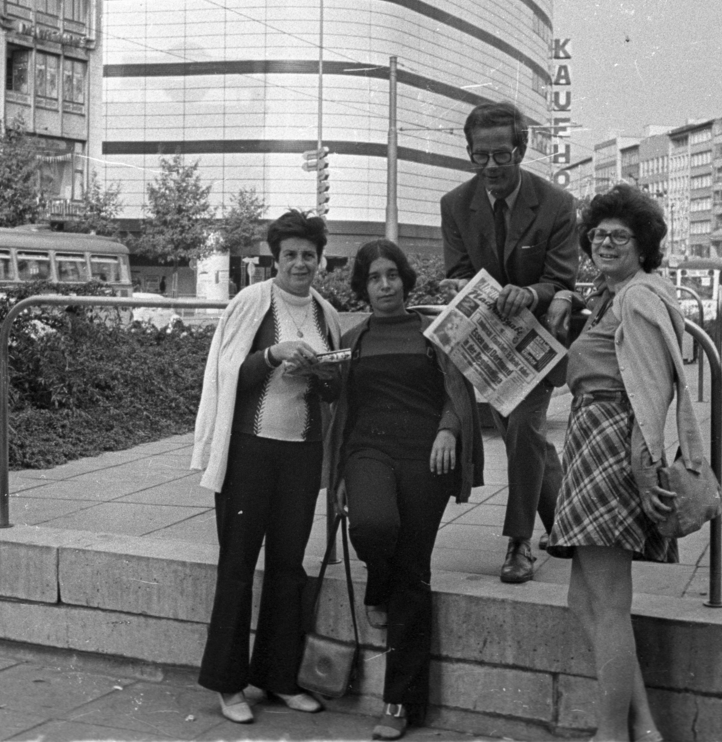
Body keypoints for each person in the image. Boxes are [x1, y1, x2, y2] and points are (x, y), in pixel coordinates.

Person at [547, 185, 686, 742]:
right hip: (590, 438)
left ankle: (611, 734)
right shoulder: (614, 295)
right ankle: (644, 726)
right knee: (585, 599)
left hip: (613, 447)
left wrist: (644, 467)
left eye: (619, 236)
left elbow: (651, 395)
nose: (605, 242)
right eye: (598, 234)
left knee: (607, 604)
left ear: (642, 244)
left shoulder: (640, 298)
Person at [192, 210, 342, 725]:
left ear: (319, 260)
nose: (300, 263)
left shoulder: (326, 311)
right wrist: (274, 355)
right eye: (290, 255)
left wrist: (321, 372)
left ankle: (278, 678)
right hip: (248, 453)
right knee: (236, 565)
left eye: (308, 255)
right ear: (274, 260)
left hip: (300, 455)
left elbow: (334, 391)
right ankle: (227, 684)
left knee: (288, 566)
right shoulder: (251, 303)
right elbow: (227, 374)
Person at [329, 240, 482, 740]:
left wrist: (447, 430)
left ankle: (398, 703)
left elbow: (459, 392)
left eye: (392, 275)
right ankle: (377, 581)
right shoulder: (353, 339)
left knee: (413, 570)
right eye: (374, 277)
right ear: (363, 287)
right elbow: (335, 401)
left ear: (406, 280)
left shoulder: (433, 335)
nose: (385, 285)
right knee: (373, 525)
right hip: (368, 449)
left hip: (427, 453)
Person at [439, 101, 577, 584]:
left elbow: (561, 276)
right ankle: (565, 523)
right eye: (481, 156)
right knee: (530, 438)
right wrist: (459, 287)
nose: (492, 167)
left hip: (536, 338)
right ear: (470, 153)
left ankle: (519, 542)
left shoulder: (557, 203)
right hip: (484, 344)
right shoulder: (455, 204)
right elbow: (456, 272)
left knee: (521, 430)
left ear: (521, 148)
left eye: (502, 155)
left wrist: (532, 292)